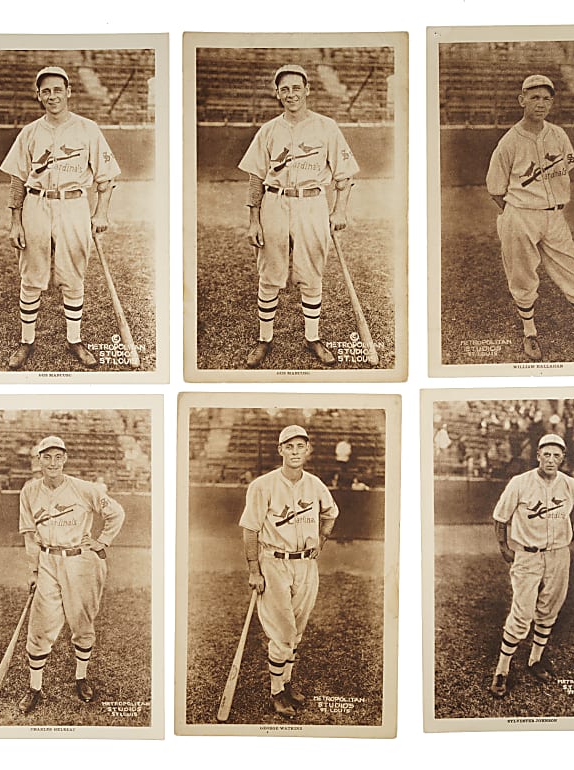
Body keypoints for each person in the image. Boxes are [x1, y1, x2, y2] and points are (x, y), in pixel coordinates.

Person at [0, 66, 122, 371]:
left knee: (72, 275)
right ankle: (26, 341)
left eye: (57, 89)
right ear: (38, 96)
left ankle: (74, 339)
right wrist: (15, 222)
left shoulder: (88, 129)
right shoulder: (29, 132)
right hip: (36, 204)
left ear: (69, 92)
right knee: (32, 275)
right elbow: (17, 180)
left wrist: (101, 211)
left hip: (74, 205)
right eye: (45, 91)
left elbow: (106, 179)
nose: (52, 95)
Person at [238, 64, 359, 369]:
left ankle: (313, 337)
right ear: (277, 94)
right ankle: (264, 339)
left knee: (311, 273)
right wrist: (254, 220)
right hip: (274, 203)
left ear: (307, 90)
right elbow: (256, 177)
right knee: (269, 273)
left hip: (312, 203)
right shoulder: (268, 130)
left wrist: (339, 208)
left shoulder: (326, 127)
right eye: (284, 89)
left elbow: (345, 175)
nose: (290, 94)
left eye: (296, 88)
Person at [486, 74, 574, 362]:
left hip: (555, 217)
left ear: (552, 102)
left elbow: (565, 169)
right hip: (520, 216)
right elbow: (495, 189)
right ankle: (530, 333)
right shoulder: (508, 142)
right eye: (534, 97)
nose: (540, 103)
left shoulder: (559, 135)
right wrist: (515, 215)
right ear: (522, 101)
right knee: (522, 276)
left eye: (545, 98)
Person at [488, 433, 574, 698]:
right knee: (522, 612)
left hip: (558, 555)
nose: (551, 460)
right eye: (546, 454)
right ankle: (502, 670)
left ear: (562, 458)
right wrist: (503, 546)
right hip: (528, 555)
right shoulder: (519, 483)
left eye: (556, 455)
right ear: (538, 455)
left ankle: (535, 659)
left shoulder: (570, 485)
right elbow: (500, 517)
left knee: (550, 607)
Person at [16, 436, 126, 714]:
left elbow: (117, 513)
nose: (53, 462)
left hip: (81, 562)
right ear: (38, 459)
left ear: (64, 459)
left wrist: (103, 541)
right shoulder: (29, 491)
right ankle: (35, 688)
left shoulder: (84, 489)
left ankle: (81, 678)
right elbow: (30, 535)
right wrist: (33, 570)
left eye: (58, 457)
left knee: (82, 622)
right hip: (48, 560)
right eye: (47, 457)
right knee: (40, 625)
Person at [239, 425, 339, 718]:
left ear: (307, 450)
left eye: (300, 446)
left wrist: (321, 540)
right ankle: (277, 693)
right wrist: (254, 570)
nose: (295, 452)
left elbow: (331, 512)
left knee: (296, 632)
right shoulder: (262, 485)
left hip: (307, 564)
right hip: (274, 563)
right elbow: (249, 529)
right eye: (289, 446)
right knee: (283, 633)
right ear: (280, 449)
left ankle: (287, 682)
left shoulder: (316, 484)